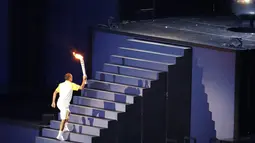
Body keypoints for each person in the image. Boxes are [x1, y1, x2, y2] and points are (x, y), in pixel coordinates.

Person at [51, 73, 87, 141]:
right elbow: (81, 87)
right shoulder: (71, 85)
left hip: (60, 103)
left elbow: (55, 92)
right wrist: (84, 80)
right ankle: (59, 135)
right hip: (63, 105)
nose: (72, 78)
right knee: (63, 120)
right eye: (72, 77)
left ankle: (65, 127)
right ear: (70, 78)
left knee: (68, 112)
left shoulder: (61, 84)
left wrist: (53, 102)